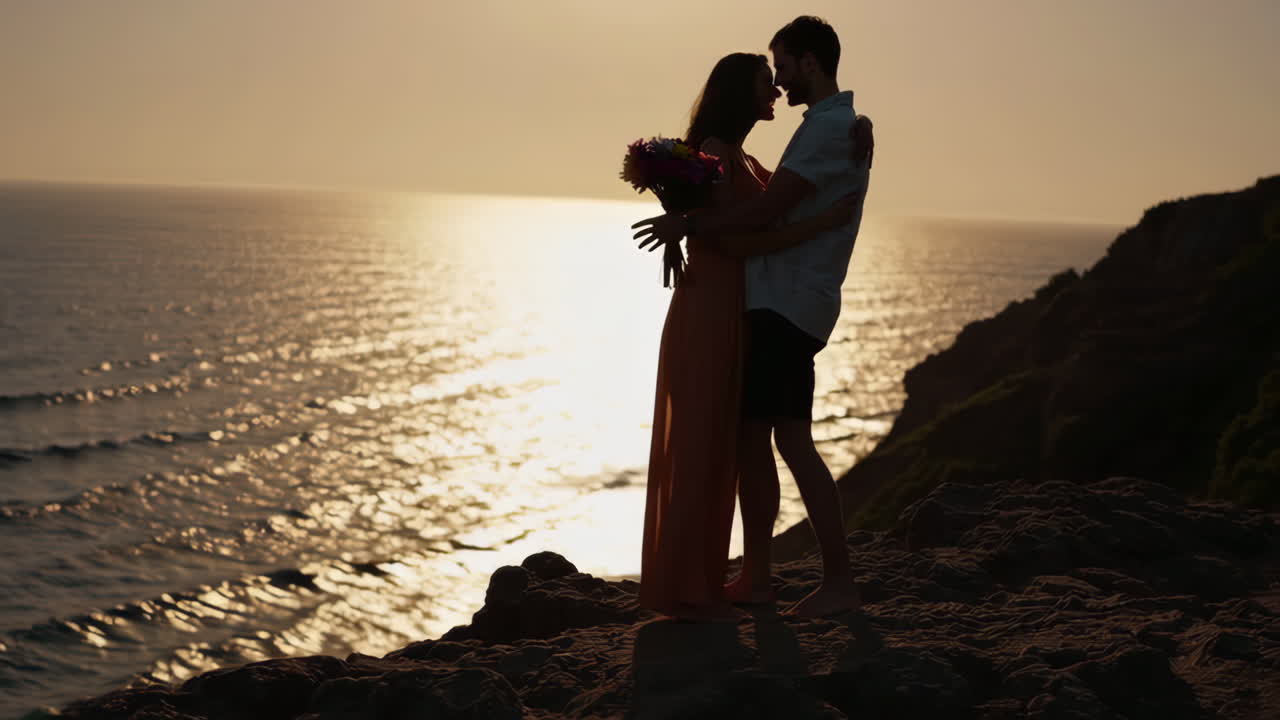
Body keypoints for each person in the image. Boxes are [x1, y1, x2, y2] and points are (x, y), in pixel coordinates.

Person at [634, 16, 873, 618]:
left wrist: (686, 224)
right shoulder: (821, 129)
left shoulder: (826, 129)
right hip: (756, 307)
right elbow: (764, 210)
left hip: (782, 306)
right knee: (747, 442)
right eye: (769, 75)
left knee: (782, 441)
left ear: (809, 64)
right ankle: (756, 577)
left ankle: (830, 581)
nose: (779, 82)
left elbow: (766, 212)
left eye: (783, 67)